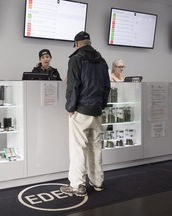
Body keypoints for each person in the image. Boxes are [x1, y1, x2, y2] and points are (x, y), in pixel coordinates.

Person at [60, 31, 111, 197]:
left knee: (78, 149)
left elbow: (73, 86)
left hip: (81, 110)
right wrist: (101, 105)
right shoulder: (102, 60)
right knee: (95, 148)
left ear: (76, 44)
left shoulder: (76, 59)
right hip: (96, 111)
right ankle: (98, 182)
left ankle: (77, 185)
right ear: (90, 42)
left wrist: (70, 107)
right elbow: (106, 87)